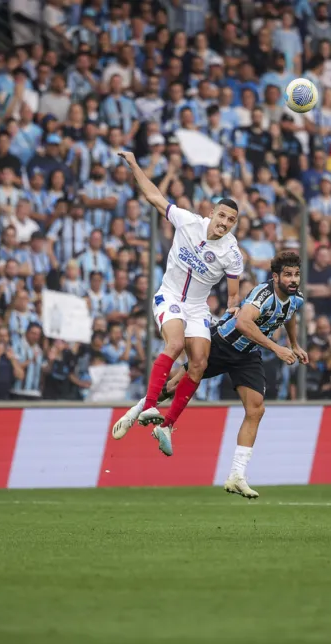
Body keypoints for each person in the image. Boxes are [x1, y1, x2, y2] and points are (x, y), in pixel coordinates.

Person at [112, 252, 306, 498]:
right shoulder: (263, 294)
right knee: (172, 387)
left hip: (246, 355)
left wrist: (294, 343)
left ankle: (237, 475)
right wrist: (277, 348)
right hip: (222, 344)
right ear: (275, 277)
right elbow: (242, 324)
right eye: (288, 275)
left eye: (296, 274)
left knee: (256, 409)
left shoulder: (296, 298)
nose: (293, 279)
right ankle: (137, 411)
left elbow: (289, 314)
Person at [115, 149, 242, 457]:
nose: (225, 223)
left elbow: (234, 292)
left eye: (232, 220)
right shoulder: (188, 221)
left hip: (198, 307)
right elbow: (155, 197)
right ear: (212, 213)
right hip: (169, 296)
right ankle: (148, 406)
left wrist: (233, 306)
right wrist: (134, 164)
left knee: (198, 363)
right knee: (174, 345)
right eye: (222, 215)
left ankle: (166, 425)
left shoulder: (232, 252)